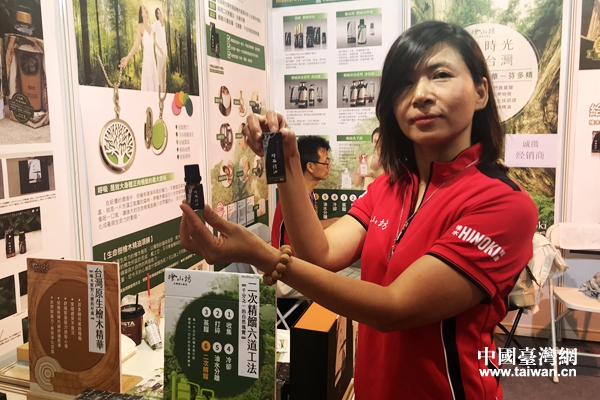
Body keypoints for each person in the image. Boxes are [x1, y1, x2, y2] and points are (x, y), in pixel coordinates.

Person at [179, 21, 538, 399]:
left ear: (481, 91)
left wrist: (260, 255)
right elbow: (319, 253)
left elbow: (393, 308)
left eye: (441, 75)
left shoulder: (503, 204)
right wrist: (286, 160)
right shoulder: (389, 187)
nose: (420, 94)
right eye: (404, 83)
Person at [271, 135, 339, 249]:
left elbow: (310, 226)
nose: (329, 166)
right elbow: (308, 230)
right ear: (310, 166)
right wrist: (336, 221)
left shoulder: (308, 193)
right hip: (287, 257)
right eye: (325, 162)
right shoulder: (295, 198)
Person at [120, 6, 159, 92]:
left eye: (146, 8)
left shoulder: (150, 28)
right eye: (144, 9)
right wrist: (127, 58)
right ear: (141, 14)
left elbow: (154, 42)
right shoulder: (140, 27)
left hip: (153, 61)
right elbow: (136, 46)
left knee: (155, 88)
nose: (146, 10)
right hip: (147, 61)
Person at [152, 8, 167, 92]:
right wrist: (158, 46)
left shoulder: (162, 25)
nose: (161, 14)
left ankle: (164, 91)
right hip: (159, 52)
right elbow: (150, 33)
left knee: (164, 73)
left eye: (161, 12)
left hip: (164, 52)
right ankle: (160, 92)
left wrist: (164, 50)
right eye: (159, 13)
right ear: (157, 15)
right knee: (159, 74)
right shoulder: (157, 24)